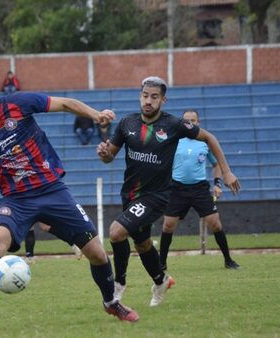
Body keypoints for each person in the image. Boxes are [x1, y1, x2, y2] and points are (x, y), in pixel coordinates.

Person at [0, 68, 138, 333]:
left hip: (52, 191)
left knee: (97, 253)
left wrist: (95, 114)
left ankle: (111, 302)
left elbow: (65, 103)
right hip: (16, 200)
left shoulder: (20, 104)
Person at [96, 76, 241, 307]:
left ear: (163, 99)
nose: (148, 101)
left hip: (157, 196)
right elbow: (109, 157)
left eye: (154, 97)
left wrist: (226, 171)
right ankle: (161, 281)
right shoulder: (126, 124)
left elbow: (209, 137)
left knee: (116, 232)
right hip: (130, 195)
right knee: (142, 244)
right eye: (145, 96)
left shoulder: (173, 125)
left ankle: (118, 284)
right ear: (140, 96)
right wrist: (104, 154)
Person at [159, 110, 240, 271]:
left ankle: (228, 260)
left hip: (199, 189)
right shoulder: (175, 140)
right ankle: (161, 263)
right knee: (168, 225)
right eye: (186, 120)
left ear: (198, 123)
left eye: (193, 120)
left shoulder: (205, 142)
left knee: (215, 224)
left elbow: (216, 164)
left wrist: (217, 184)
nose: (190, 123)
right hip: (177, 188)